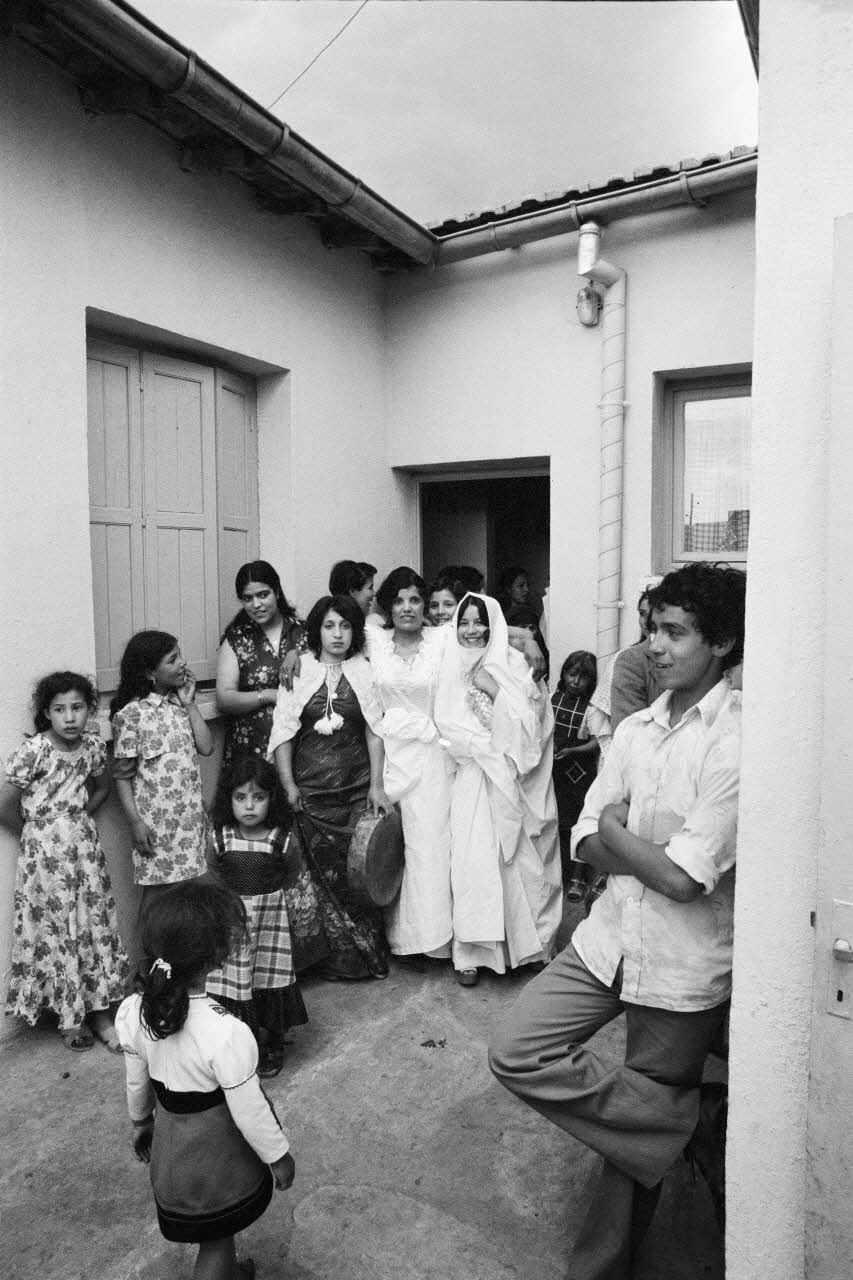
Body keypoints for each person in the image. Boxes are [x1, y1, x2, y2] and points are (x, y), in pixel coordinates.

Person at [489, 562, 746, 1280]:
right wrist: (618, 838)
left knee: (627, 1148)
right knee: (516, 1048)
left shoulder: (734, 741)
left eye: (674, 632)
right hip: (606, 942)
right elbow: (582, 841)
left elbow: (683, 878)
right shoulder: (633, 727)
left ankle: (597, 1269)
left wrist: (616, 831)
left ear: (721, 643)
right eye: (649, 631)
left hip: (682, 965)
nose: (653, 648)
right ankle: (685, 1120)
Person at [116, 879, 294, 1280]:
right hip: (215, 1157)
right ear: (218, 957)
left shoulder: (133, 1011)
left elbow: (136, 1080)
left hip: (172, 1148)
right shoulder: (226, 1032)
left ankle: (230, 1272)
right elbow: (250, 1110)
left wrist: (141, 1122)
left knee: (216, 1232)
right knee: (214, 1240)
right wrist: (278, 1156)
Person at [434, 594, 563, 986]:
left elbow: (534, 723)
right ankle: (473, 952)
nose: (472, 631)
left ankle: (534, 945)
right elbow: (445, 722)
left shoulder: (515, 663)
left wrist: (494, 690)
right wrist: (479, 750)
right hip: (474, 775)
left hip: (513, 775)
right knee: (475, 863)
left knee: (521, 863)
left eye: (480, 623)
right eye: (464, 623)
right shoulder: (449, 664)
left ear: (494, 626)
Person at [0, 672, 129, 1052]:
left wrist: (74, 817)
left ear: (90, 710)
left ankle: (101, 1013)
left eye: (77, 707)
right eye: (60, 709)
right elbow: (4, 804)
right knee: (58, 930)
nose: (69, 717)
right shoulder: (34, 750)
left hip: (84, 852)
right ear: (47, 713)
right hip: (44, 860)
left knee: (91, 926)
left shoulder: (90, 746)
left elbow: (102, 787)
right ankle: (69, 1017)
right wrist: (37, 830)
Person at [269, 594, 390, 980]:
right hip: (310, 791)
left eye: (346, 626)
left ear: (355, 631)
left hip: (356, 789)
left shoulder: (364, 670)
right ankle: (323, 960)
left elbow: (374, 730)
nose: (337, 634)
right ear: (316, 630)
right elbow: (283, 732)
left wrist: (377, 784)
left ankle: (359, 958)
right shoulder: (298, 669)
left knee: (357, 873)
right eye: (329, 625)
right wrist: (288, 784)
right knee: (315, 876)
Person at [369, 567, 456, 963]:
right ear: (388, 605)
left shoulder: (440, 640)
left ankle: (433, 940)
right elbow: (321, 627)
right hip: (387, 753)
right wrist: (290, 654)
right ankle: (400, 937)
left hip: (432, 755)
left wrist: (528, 639)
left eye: (415, 599)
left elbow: (489, 631)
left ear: (425, 605)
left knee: (430, 845)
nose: (407, 608)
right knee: (390, 845)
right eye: (399, 600)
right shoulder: (374, 639)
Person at [206, 756, 307, 1079]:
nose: (249, 806)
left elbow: (292, 873)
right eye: (241, 797)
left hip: (269, 926)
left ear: (271, 799)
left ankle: (273, 1042)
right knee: (234, 979)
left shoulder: (281, 840)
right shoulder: (220, 838)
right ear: (228, 800)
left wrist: (270, 899)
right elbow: (212, 874)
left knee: (268, 977)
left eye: (258, 797)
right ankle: (236, 1045)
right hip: (231, 926)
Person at [111, 632, 213, 908]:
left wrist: (190, 703)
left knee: (190, 892)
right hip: (156, 826)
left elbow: (206, 747)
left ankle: (182, 951)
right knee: (157, 895)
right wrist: (136, 823)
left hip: (189, 820)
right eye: (172, 659)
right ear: (150, 672)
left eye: (180, 654)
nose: (183, 662)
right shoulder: (131, 715)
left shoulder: (180, 706)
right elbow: (122, 777)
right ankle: (150, 953)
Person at [216, 561, 306, 769]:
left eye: (263, 595)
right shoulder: (237, 639)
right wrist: (267, 695)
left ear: (277, 592)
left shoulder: (303, 633)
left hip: (300, 747)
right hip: (251, 751)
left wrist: (300, 653)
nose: (256, 604)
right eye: (248, 598)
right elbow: (224, 698)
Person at [551, 651, 599, 899]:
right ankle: (556, 873)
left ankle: (577, 879)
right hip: (553, 774)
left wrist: (572, 750)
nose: (576, 682)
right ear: (563, 673)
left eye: (583, 678)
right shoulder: (551, 699)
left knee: (576, 824)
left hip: (579, 777)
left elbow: (596, 742)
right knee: (555, 823)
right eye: (572, 674)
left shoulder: (591, 710)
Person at [609, 587, 662, 732]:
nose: (647, 622)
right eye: (642, 614)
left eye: (654, 614)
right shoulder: (631, 659)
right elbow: (628, 730)